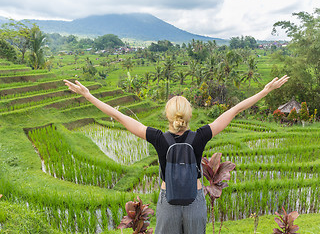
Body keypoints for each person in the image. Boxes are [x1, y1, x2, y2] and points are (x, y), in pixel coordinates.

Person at [63, 75, 288, 234]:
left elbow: (120, 116)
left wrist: (88, 95)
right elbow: (235, 110)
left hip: (167, 202)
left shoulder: (159, 138)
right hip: (195, 202)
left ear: (168, 117)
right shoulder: (200, 136)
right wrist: (265, 90)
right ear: (189, 116)